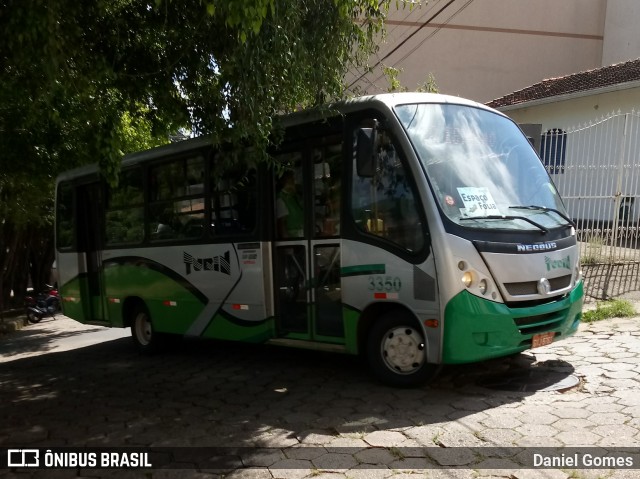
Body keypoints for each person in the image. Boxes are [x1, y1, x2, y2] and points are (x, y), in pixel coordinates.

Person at [276, 170, 304, 238]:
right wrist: (287, 241)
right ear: (284, 181)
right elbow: (281, 223)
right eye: (290, 180)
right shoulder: (280, 198)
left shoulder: (294, 195)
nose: (293, 181)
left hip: (302, 232)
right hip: (292, 236)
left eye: (293, 179)